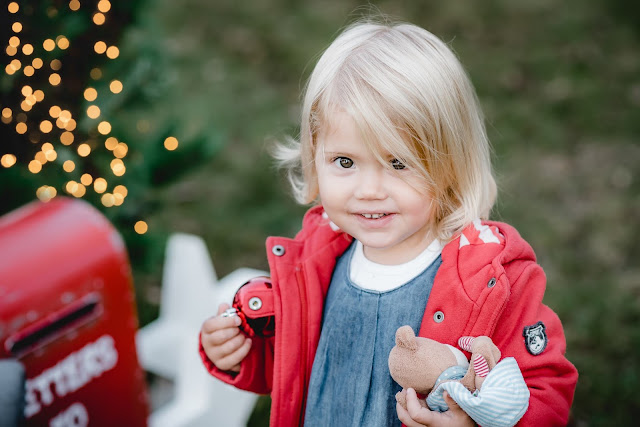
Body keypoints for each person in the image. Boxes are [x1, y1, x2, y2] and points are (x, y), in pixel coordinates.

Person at [199, 17, 578, 426]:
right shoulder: (316, 261)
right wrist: (244, 353)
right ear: (314, 156)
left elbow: (546, 388)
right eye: (345, 162)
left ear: (450, 163)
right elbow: (301, 363)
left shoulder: (491, 279)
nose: (369, 190)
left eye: (398, 163)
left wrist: (470, 422)